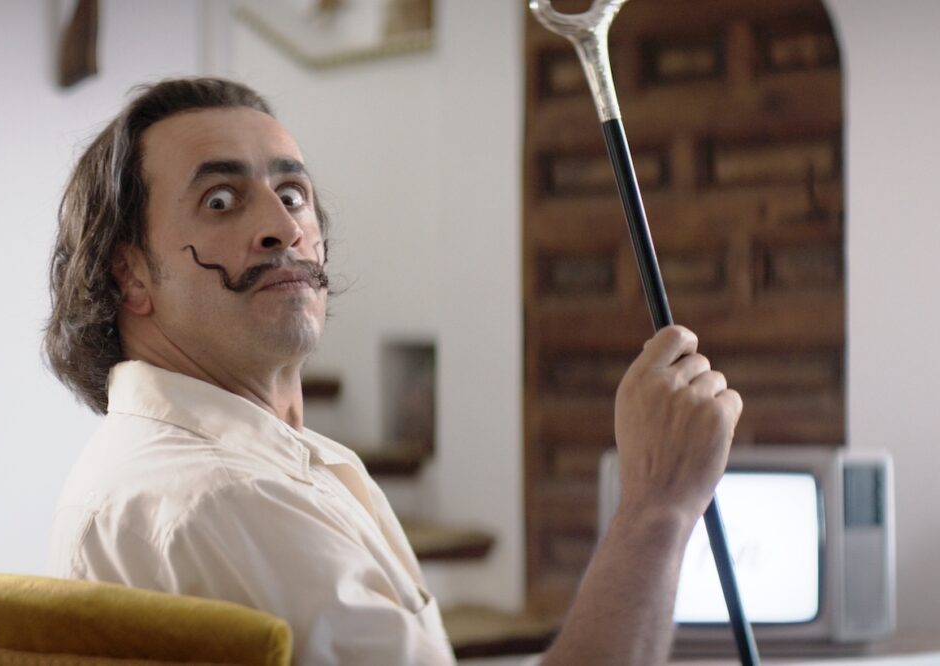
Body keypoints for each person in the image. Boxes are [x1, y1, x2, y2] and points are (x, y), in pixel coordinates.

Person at [45, 77, 742, 666]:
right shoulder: (225, 500)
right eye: (220, 200)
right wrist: (656, 505)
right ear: (129, 274)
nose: (284, 228)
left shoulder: (239, 466)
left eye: (292, 193)